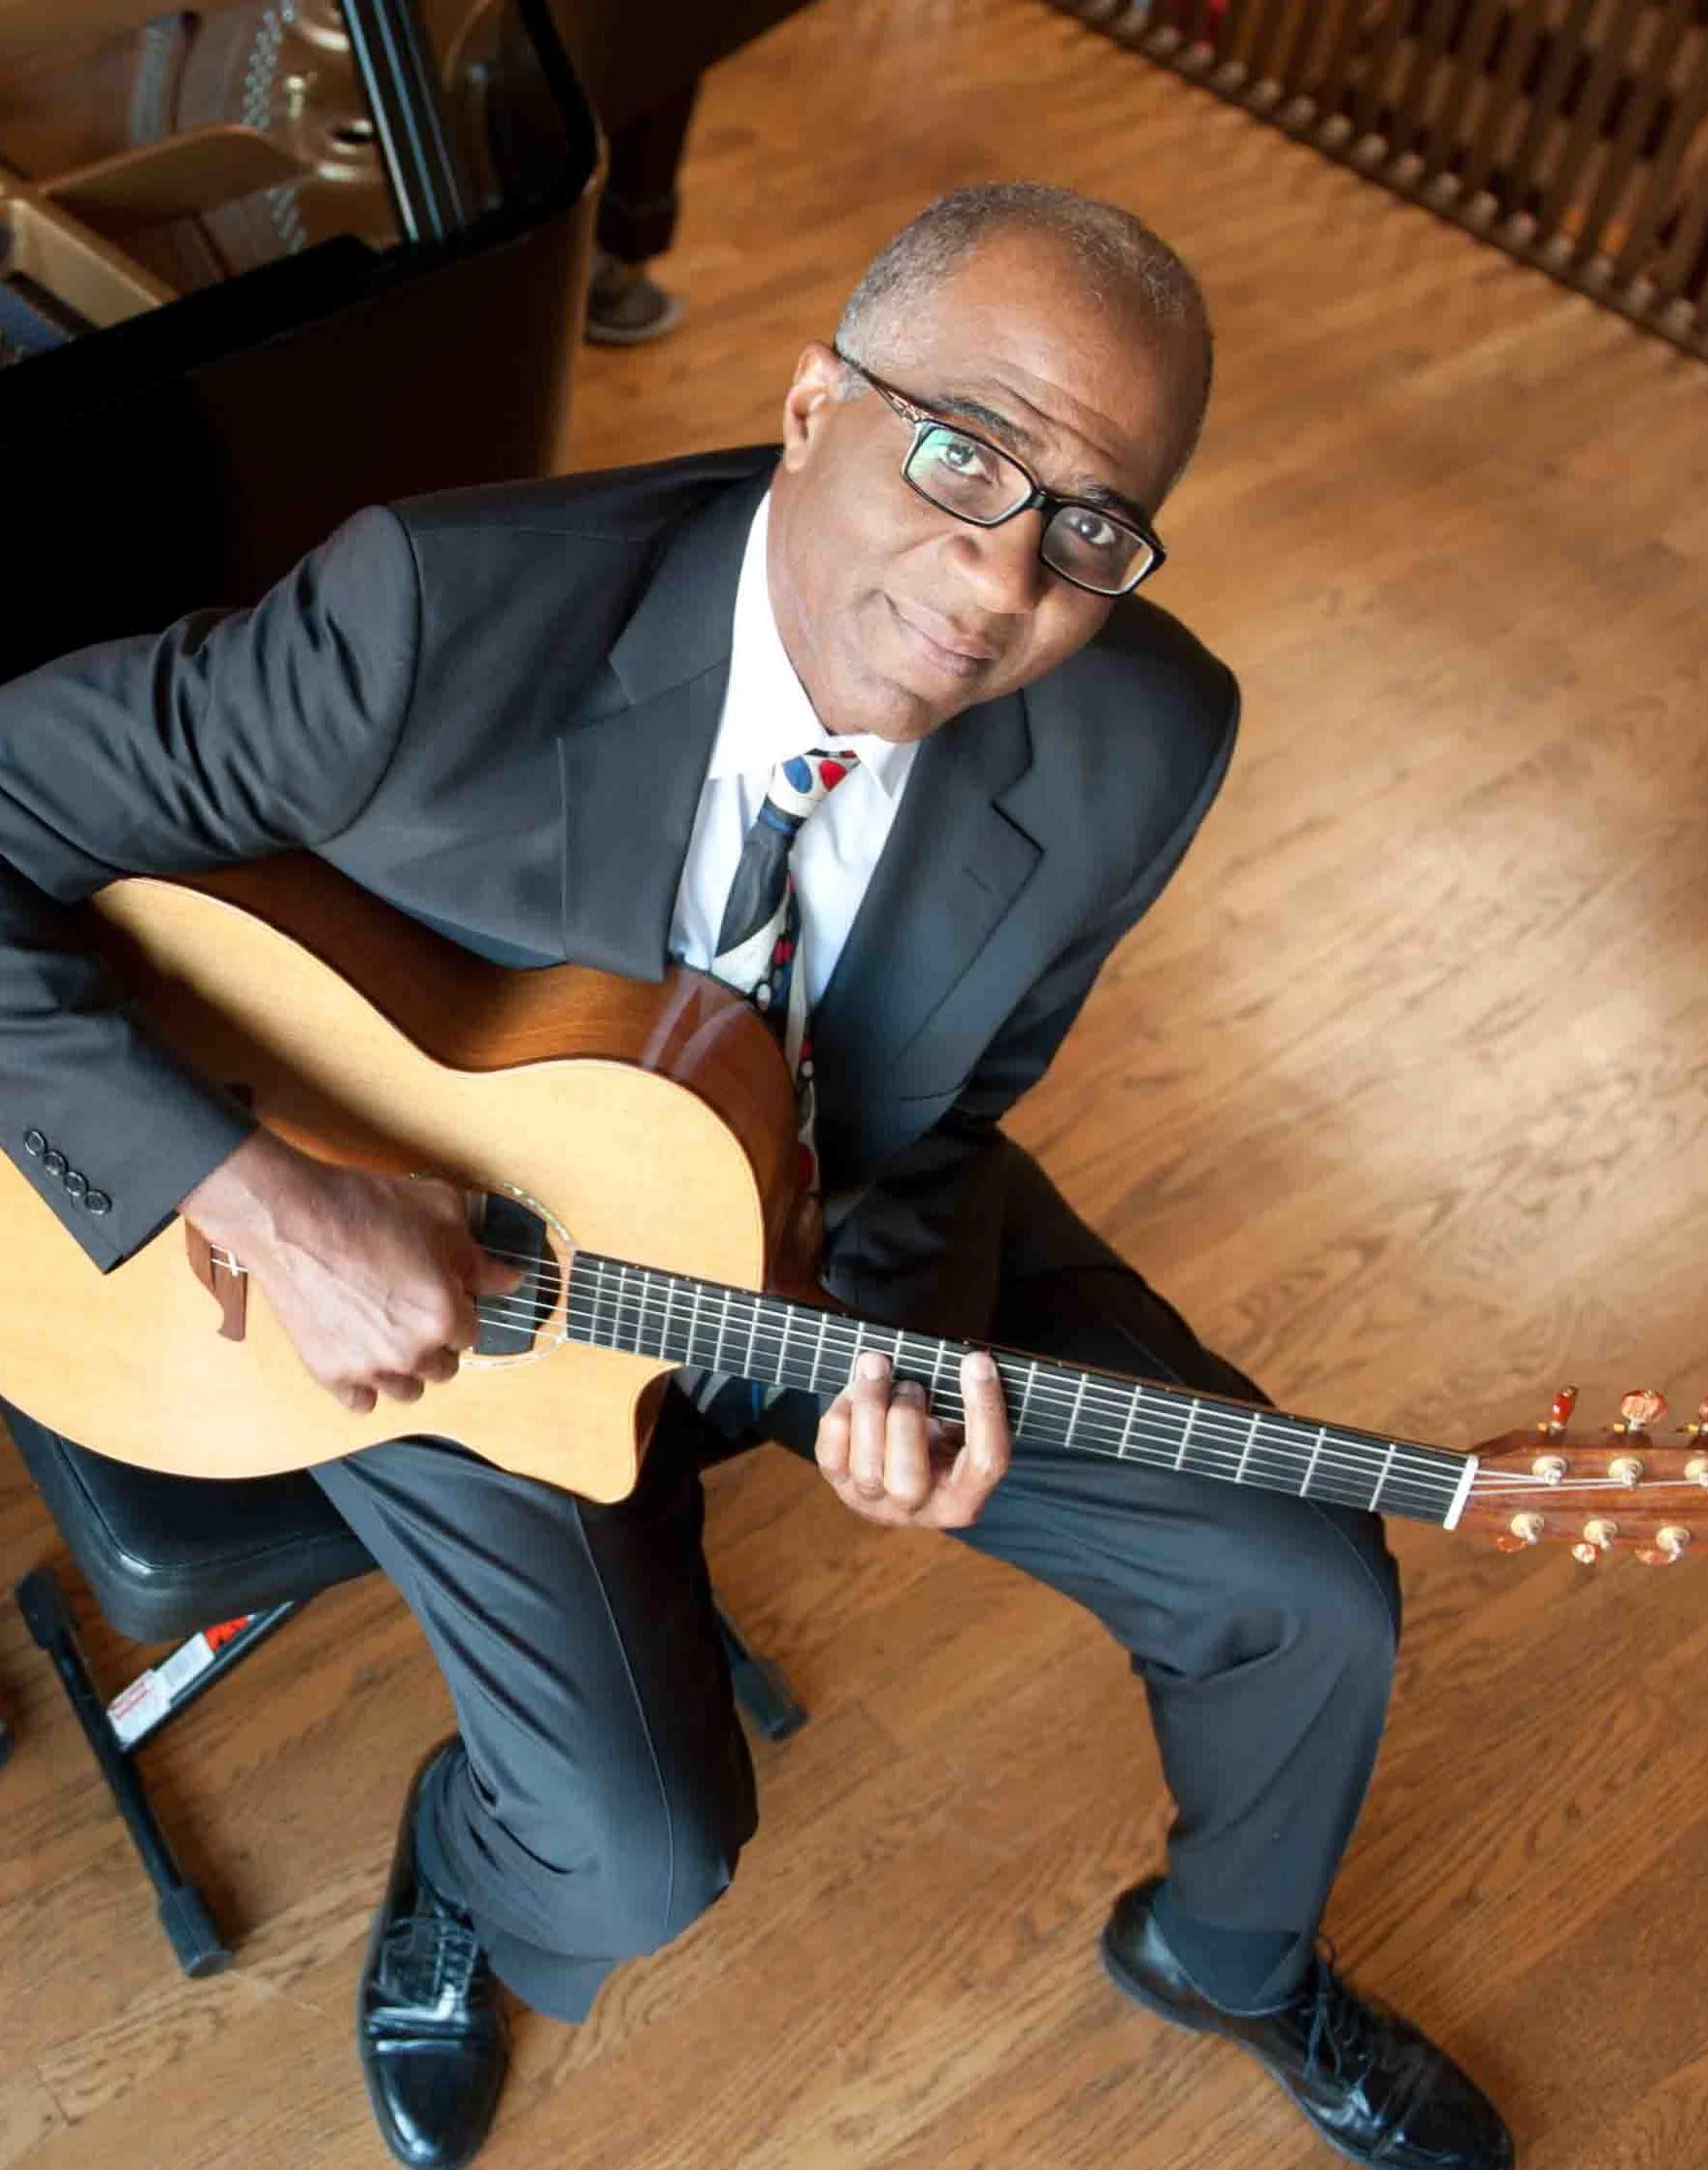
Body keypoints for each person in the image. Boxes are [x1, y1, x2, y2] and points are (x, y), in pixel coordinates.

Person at [0, 184, 1512, 2170]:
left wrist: (889, 1352)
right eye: (958, 451)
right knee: (636, 1862)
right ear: (811, 406)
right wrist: (268, 1194)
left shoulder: (1142, 732)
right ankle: (477, 1860)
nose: (996, 583)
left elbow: (955, 1112)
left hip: (824, 1208)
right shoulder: (428, 623)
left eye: (1087, 526)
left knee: (1304, 1576)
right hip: (433, 1264)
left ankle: (1226, 1950)